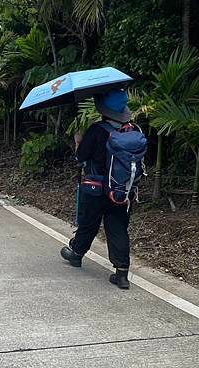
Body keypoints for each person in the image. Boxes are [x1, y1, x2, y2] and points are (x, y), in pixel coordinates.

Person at [60, 89, 138, 289]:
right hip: (121, 191)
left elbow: (81, 158)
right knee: (118, 228)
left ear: (103, 110)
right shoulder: (132, 132)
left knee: (89, 223)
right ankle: (122, 274)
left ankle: (76, 254)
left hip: (95, 188)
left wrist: (78, 143)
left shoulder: (96, 130)